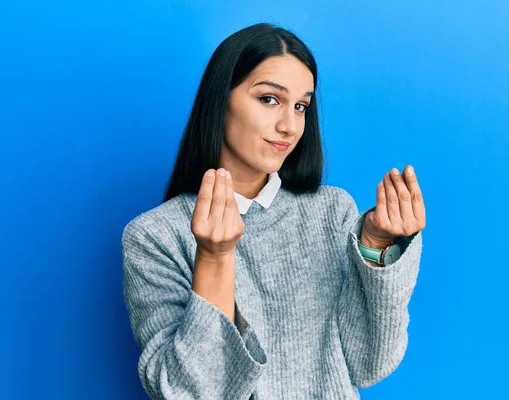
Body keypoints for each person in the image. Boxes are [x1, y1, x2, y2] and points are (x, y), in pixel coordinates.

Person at [122, 22, 426, 400]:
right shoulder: (154, 237)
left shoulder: (331, 211)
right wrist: (215, 259)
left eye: (301, 106)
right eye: (269, 99)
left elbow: (369, 365)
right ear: (221, 100)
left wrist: (377, 250)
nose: (289, 125)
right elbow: (186, 392)